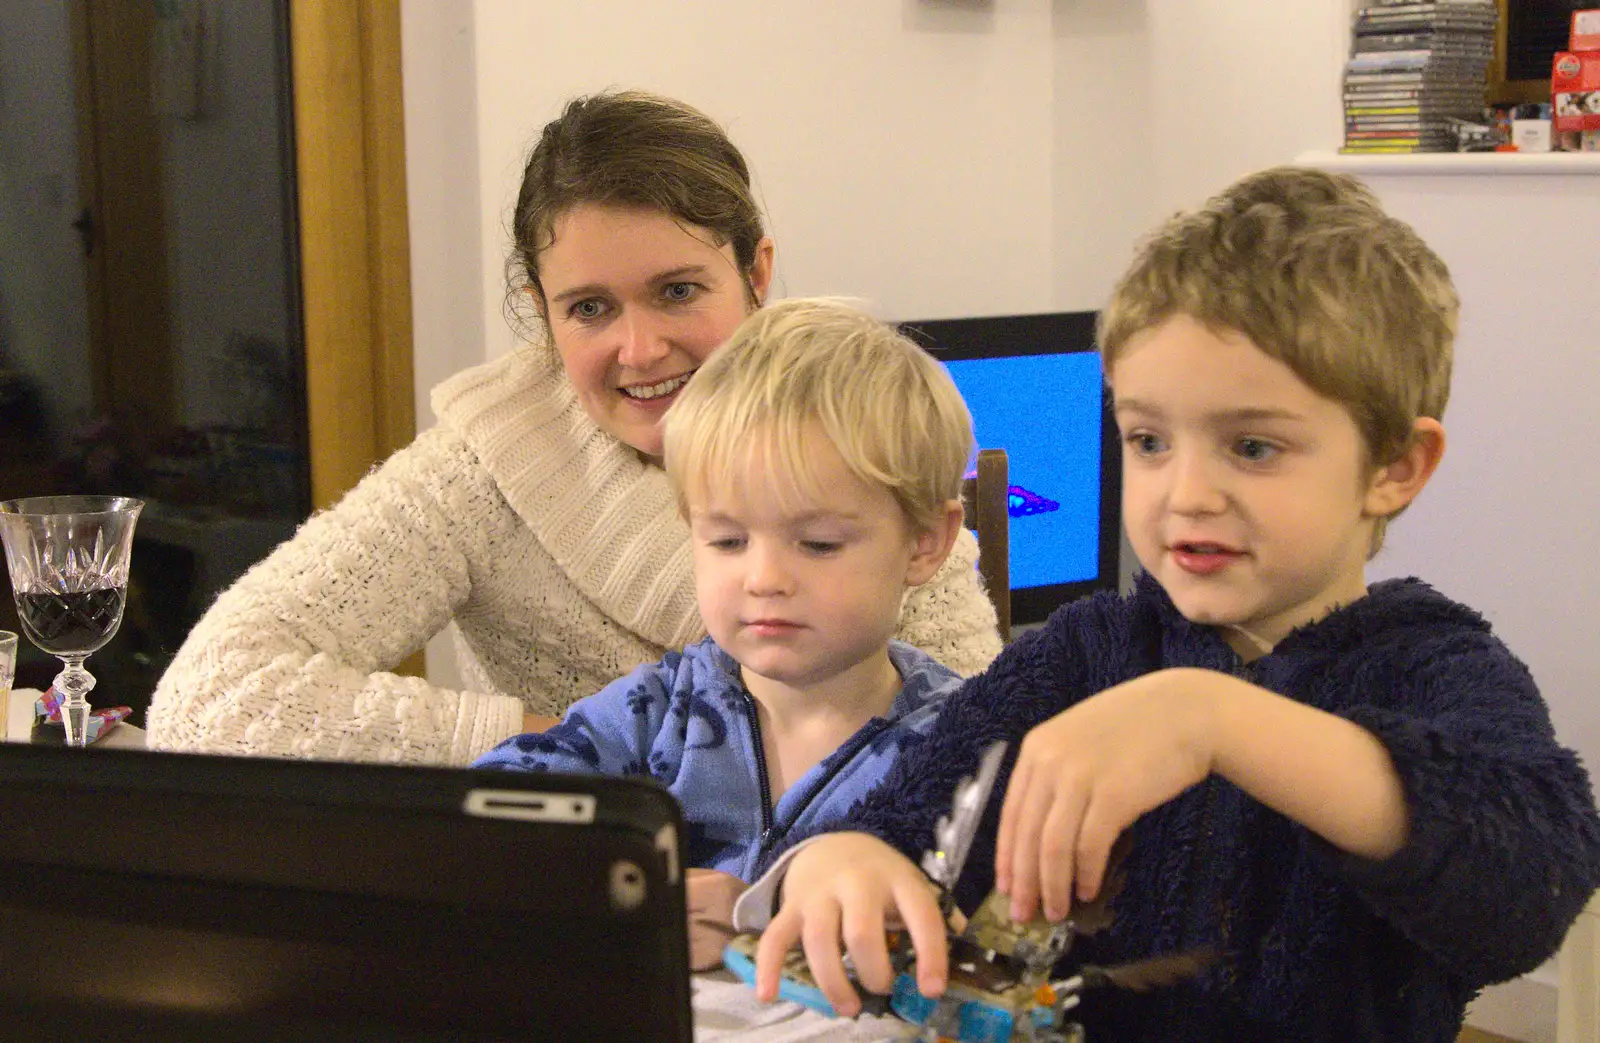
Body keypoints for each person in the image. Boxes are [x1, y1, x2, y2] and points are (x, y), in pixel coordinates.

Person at [735, 167, 1600, 1042]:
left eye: (1253, 446)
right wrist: (847, 858)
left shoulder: (1438, 666)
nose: (1184, 493)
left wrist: (1214, 719)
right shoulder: (1090, 649)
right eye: (1148, 440)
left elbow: (1533, 884)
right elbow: (907, 807)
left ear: (1394, 467)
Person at [144, 91, 1001, 765]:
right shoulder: (481, 470)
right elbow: (213, 695)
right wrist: (589, 750)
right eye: (589, 307)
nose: (640, 348)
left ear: (756, 272)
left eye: (677, 290)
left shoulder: (854, 425)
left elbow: (975, 721)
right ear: (540, 313)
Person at [476, 297, 975, 968]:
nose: (763, 577)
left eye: (819, 542)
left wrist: (760, 913)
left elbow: (984, 943)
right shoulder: (656, 710)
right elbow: (485, 829)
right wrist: (631, 895)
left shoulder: (964, 744)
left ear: (924, 543)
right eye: (728, 539)